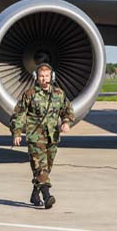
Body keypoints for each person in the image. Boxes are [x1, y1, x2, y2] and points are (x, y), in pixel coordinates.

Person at [10, 62, 74, 209]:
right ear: (36, 77)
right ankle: (47, 196)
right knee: (40, 168)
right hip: (35, 137)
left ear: (52, 76)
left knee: (47, 168)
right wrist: (17, 132)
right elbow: (19, 114)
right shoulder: (29, 94)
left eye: (47, 76)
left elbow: (68, 110)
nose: (44, 79)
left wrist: (66, 122)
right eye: (41, 76)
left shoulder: (59, 94)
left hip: (52, 137)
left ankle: (34, 194)